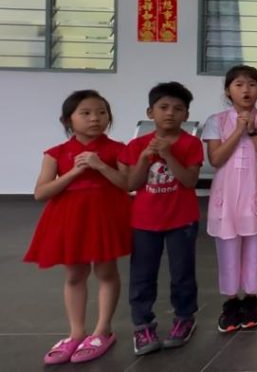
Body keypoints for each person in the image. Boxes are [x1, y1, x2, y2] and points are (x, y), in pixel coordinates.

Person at [25, 90, 130, 364]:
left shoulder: (118, 148)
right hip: (71, 219)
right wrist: (74, 171)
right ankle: (76, 333)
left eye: (102, 112)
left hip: (105, 217)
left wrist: (100, 166)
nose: (95, 118)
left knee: (106, 271)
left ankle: (102, 330)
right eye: (86, 113)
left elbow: (127, 184)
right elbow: (41, 192)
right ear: (68, 120)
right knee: (74, 274)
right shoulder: (56, 153)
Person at [120, 82, 204, 355]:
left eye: (178, 109)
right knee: (142, 275)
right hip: (144, 221)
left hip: (182, 220)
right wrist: (145, 159)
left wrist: (167, 154)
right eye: (163, 107)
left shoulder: (191, 144)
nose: (170, 113)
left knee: (182, 273)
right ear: (150, 112)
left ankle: (184, 317)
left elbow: (189, 181)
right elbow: (131, 184)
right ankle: (143, 325)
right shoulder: (137, 145)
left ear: (186, 115)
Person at [202, 65, 257, 332]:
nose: (246, 90)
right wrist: (238, 130)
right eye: (239, 85)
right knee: (228, 245)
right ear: (228, 91)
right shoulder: (216, 121)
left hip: (254, 192)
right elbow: (216, 158)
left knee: (254, 245)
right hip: (227, 194)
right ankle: (231, 301)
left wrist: (253, 131)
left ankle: (252, 299)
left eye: (252, 85)